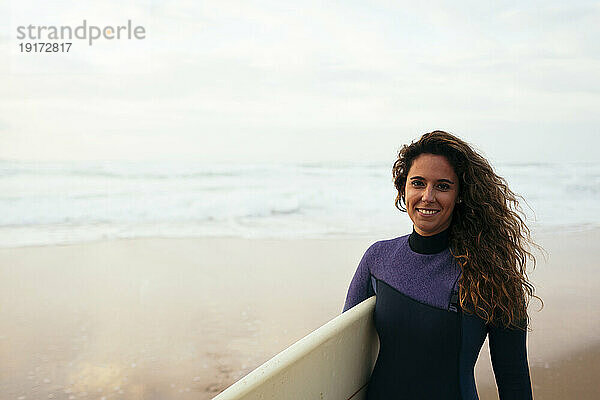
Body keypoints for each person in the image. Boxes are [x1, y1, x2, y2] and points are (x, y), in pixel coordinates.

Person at [343, 130, 540, 400]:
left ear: (460, 194)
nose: (428, 196)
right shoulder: (378, 258)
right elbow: (342, 353)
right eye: (418, 183)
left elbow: (514, 381)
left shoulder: (491, 272)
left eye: (443, 186)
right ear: (404, 189)